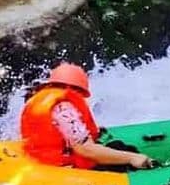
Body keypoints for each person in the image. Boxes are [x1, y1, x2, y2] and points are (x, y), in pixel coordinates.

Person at [20, 62, 154, 170]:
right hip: (67, 168)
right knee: (123, 150)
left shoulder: (38, 99)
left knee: (116, 146)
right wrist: (132, 158)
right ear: (75, 88)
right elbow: (85, 149)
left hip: (42, 162)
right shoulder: (64, 107)